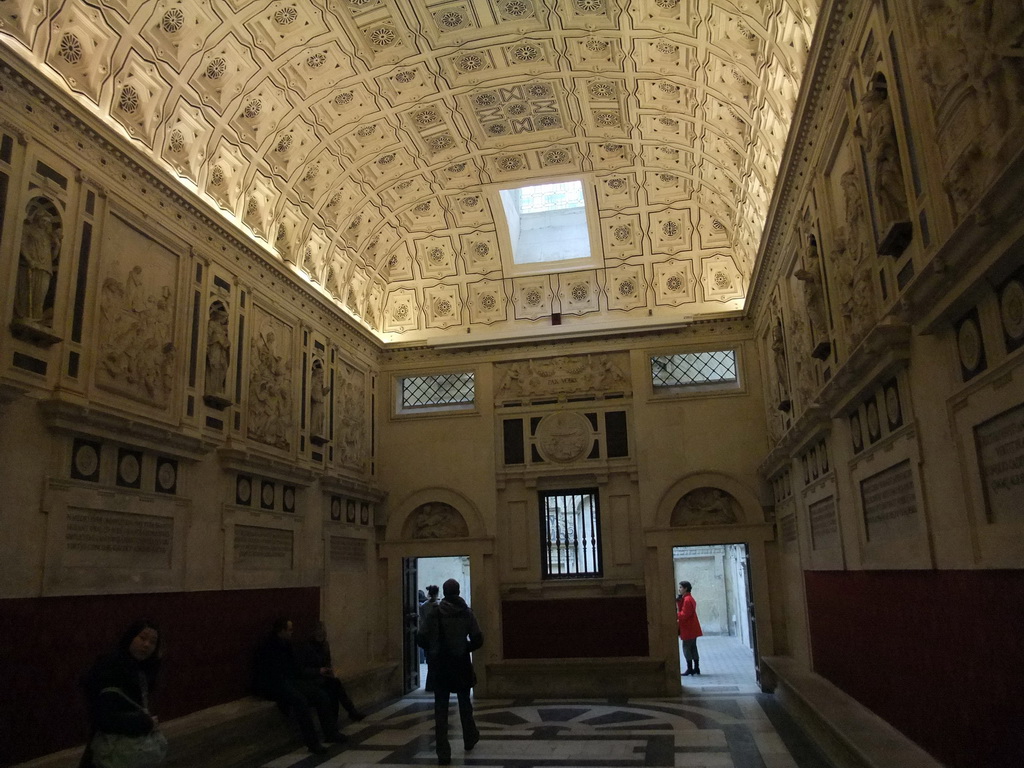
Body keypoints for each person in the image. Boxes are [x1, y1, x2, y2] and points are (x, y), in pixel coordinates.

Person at [79, 619, 165, 768]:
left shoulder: (142, 670)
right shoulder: (112, 668)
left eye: (152, 642)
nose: (146, 645)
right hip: (111, 749)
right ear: (130, 637)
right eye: (142, 638)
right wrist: (145, 722)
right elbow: (105, 719)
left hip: (126, 749)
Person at [253, 617, 344, 754]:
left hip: (290, 681)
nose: (292, 632)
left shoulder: (287, 644)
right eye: (289, 630)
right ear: (281, 631)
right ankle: (312, 743)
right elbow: (270, 675)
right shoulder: (268, 647)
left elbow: (295, 669)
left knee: (321, 695)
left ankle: (331, 733)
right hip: (275, 685)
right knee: (300, 701)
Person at [417, 579, 482, 766]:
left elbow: (421, 638)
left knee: (440, 709)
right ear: (458, 591)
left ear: (444, 593)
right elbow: (478, 639)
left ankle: (443, 752)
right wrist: (464, 647)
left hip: (440, 666)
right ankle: (469, 738)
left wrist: (435, 648)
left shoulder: (434, 613)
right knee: (464, 705)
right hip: (460, 664)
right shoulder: (466, 613)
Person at [295, 622, 365, 723]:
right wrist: (319, 671)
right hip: (312, 679)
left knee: (335, 685)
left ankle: (342, 717)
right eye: (319, 635)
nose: (322, 637)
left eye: (323, 634)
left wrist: (330, 671)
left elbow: (327, 662)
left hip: (323, 677)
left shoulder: (324, 645)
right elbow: (301, 670)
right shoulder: (306, 647)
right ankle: (350, 713)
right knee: (334, 687)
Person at [677, 581, 703, 677]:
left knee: (686, 648)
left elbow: (684, 614)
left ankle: (690, 668)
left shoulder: (687, 600)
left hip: (688, 627)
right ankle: (696, 667)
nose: (679, 589)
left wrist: (676, 615)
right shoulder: (688, 598)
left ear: (685, 588)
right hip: (692, 627)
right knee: (693, 647)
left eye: (680, 587)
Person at [418, 585, 440, 682]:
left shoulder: (424, 606)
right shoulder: (439, 606)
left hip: (427, 634)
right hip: (437, 635)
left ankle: (430, 683)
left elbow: (422, 619)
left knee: (429, 661)